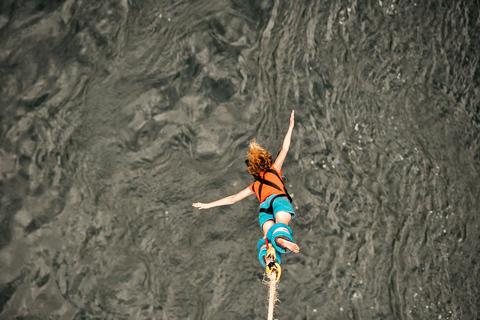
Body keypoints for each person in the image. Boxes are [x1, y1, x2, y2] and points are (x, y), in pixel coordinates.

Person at [192, 110, 299, 269]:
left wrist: (208, 205)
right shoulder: (275, 169)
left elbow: (232, 199)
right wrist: (290, 127)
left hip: (264, 208)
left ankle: (269, 257)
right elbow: (285, 149)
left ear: (253, 170)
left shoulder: (255, 186)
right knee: (281, 223)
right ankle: (281, 238)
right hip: (278, 199)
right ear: (267, 160)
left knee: (266, 237)